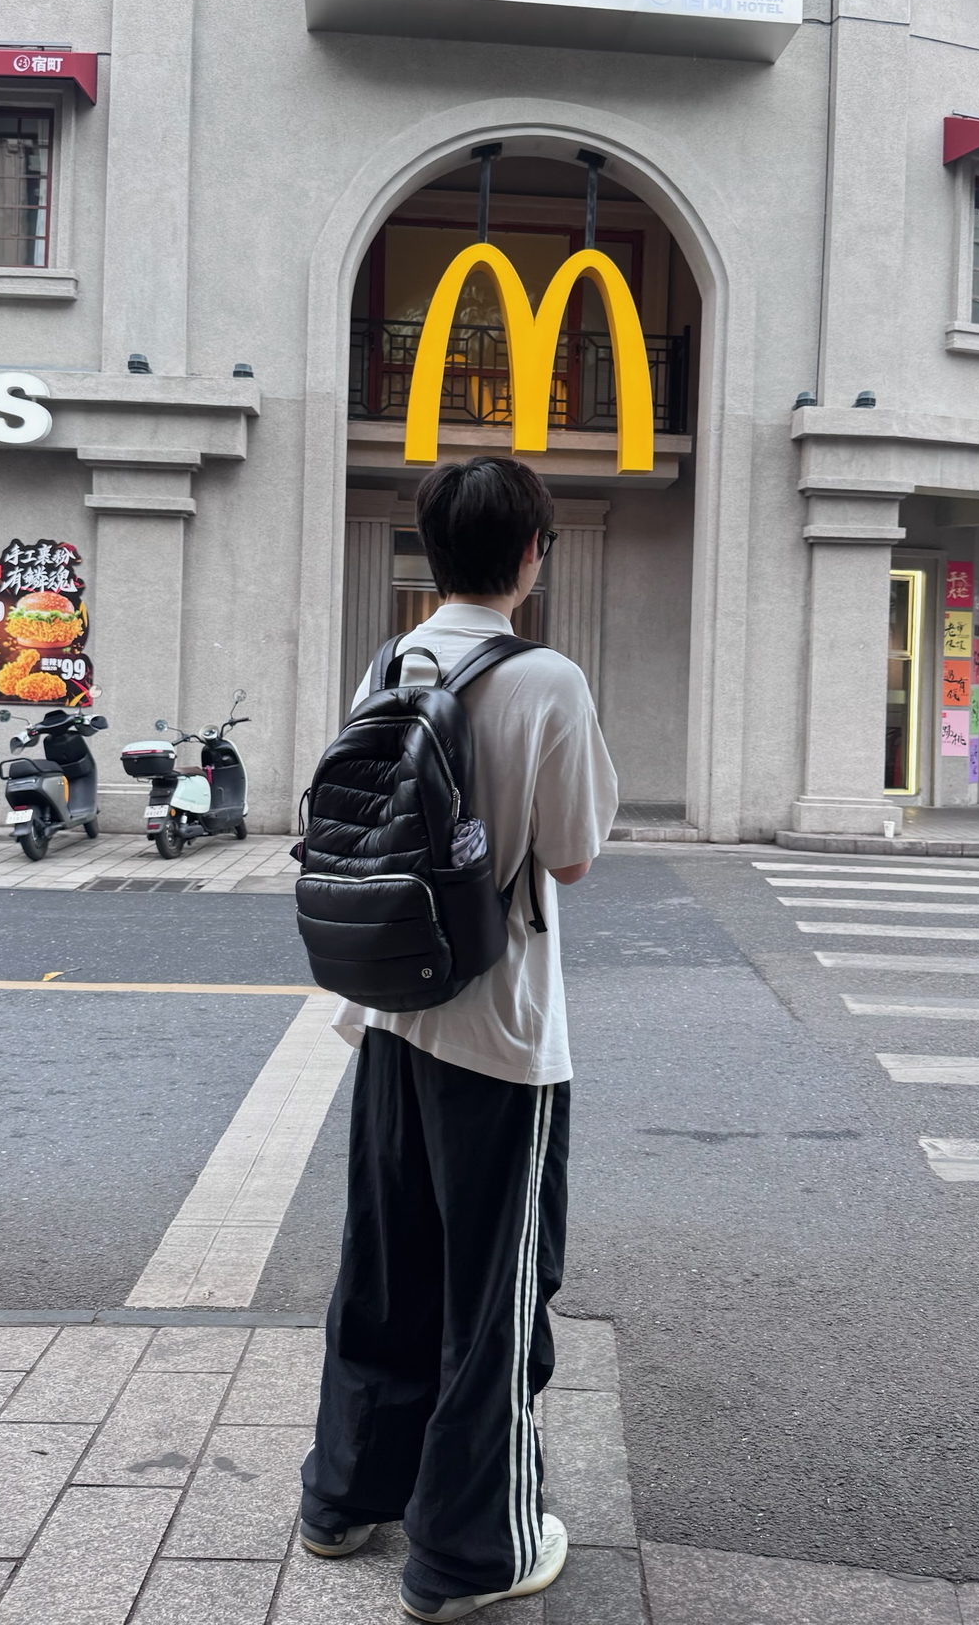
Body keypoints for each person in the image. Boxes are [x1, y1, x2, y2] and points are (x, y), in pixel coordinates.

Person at [299, 455, 619, 1622]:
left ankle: (344, 1499)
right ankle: (469, 1555)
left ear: (432, 548)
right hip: (499, 1029)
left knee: (385, 1265)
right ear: (532, 552)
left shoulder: (391, 661)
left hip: (390, 1005)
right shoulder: (548, 680)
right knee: (495, 1292)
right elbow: (571, 855)